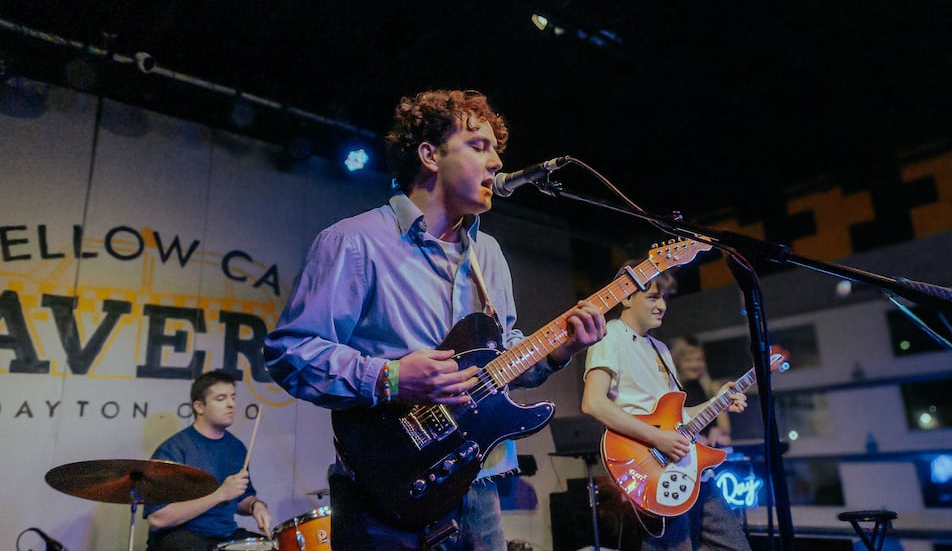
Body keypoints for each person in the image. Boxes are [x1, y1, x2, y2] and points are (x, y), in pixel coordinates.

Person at [263, 89, 606, 550]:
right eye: (478, 146)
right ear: (429, 155)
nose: (497, 164)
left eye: (497, 152)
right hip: (384, 493)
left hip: (479, 487)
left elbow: (498, 362)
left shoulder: (489, 254)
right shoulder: (354, 242)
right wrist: (391, 377)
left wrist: (561, 349)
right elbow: (291, 353)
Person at [581, 264, 750, 550]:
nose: (662, 306)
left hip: (688, 465)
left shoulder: (661, 350)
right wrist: (658, 438)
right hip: (652, 467)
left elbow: (678, 420)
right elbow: (593, 403)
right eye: (653, 297)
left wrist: (717, 402)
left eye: (665, 299)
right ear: (625, 297)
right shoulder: (609, 336)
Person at [144, 370, 273, 551]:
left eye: (233, 398)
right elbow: (158, 518)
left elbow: (241, 497)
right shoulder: (173, 450)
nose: (231, 404)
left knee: (273, 546)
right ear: (199, 406)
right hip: (181, 537)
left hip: (224, 535)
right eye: (221, 399)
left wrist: (255, 505)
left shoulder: (236, 447)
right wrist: (219, 494)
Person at [670, 336, 733, 447]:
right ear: (677, 363)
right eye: (688, 360)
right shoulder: (671, 391)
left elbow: (725, 428)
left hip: (710, 449)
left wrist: (718, 431)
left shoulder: (713, 387)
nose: (695, 365)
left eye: (699, 359)